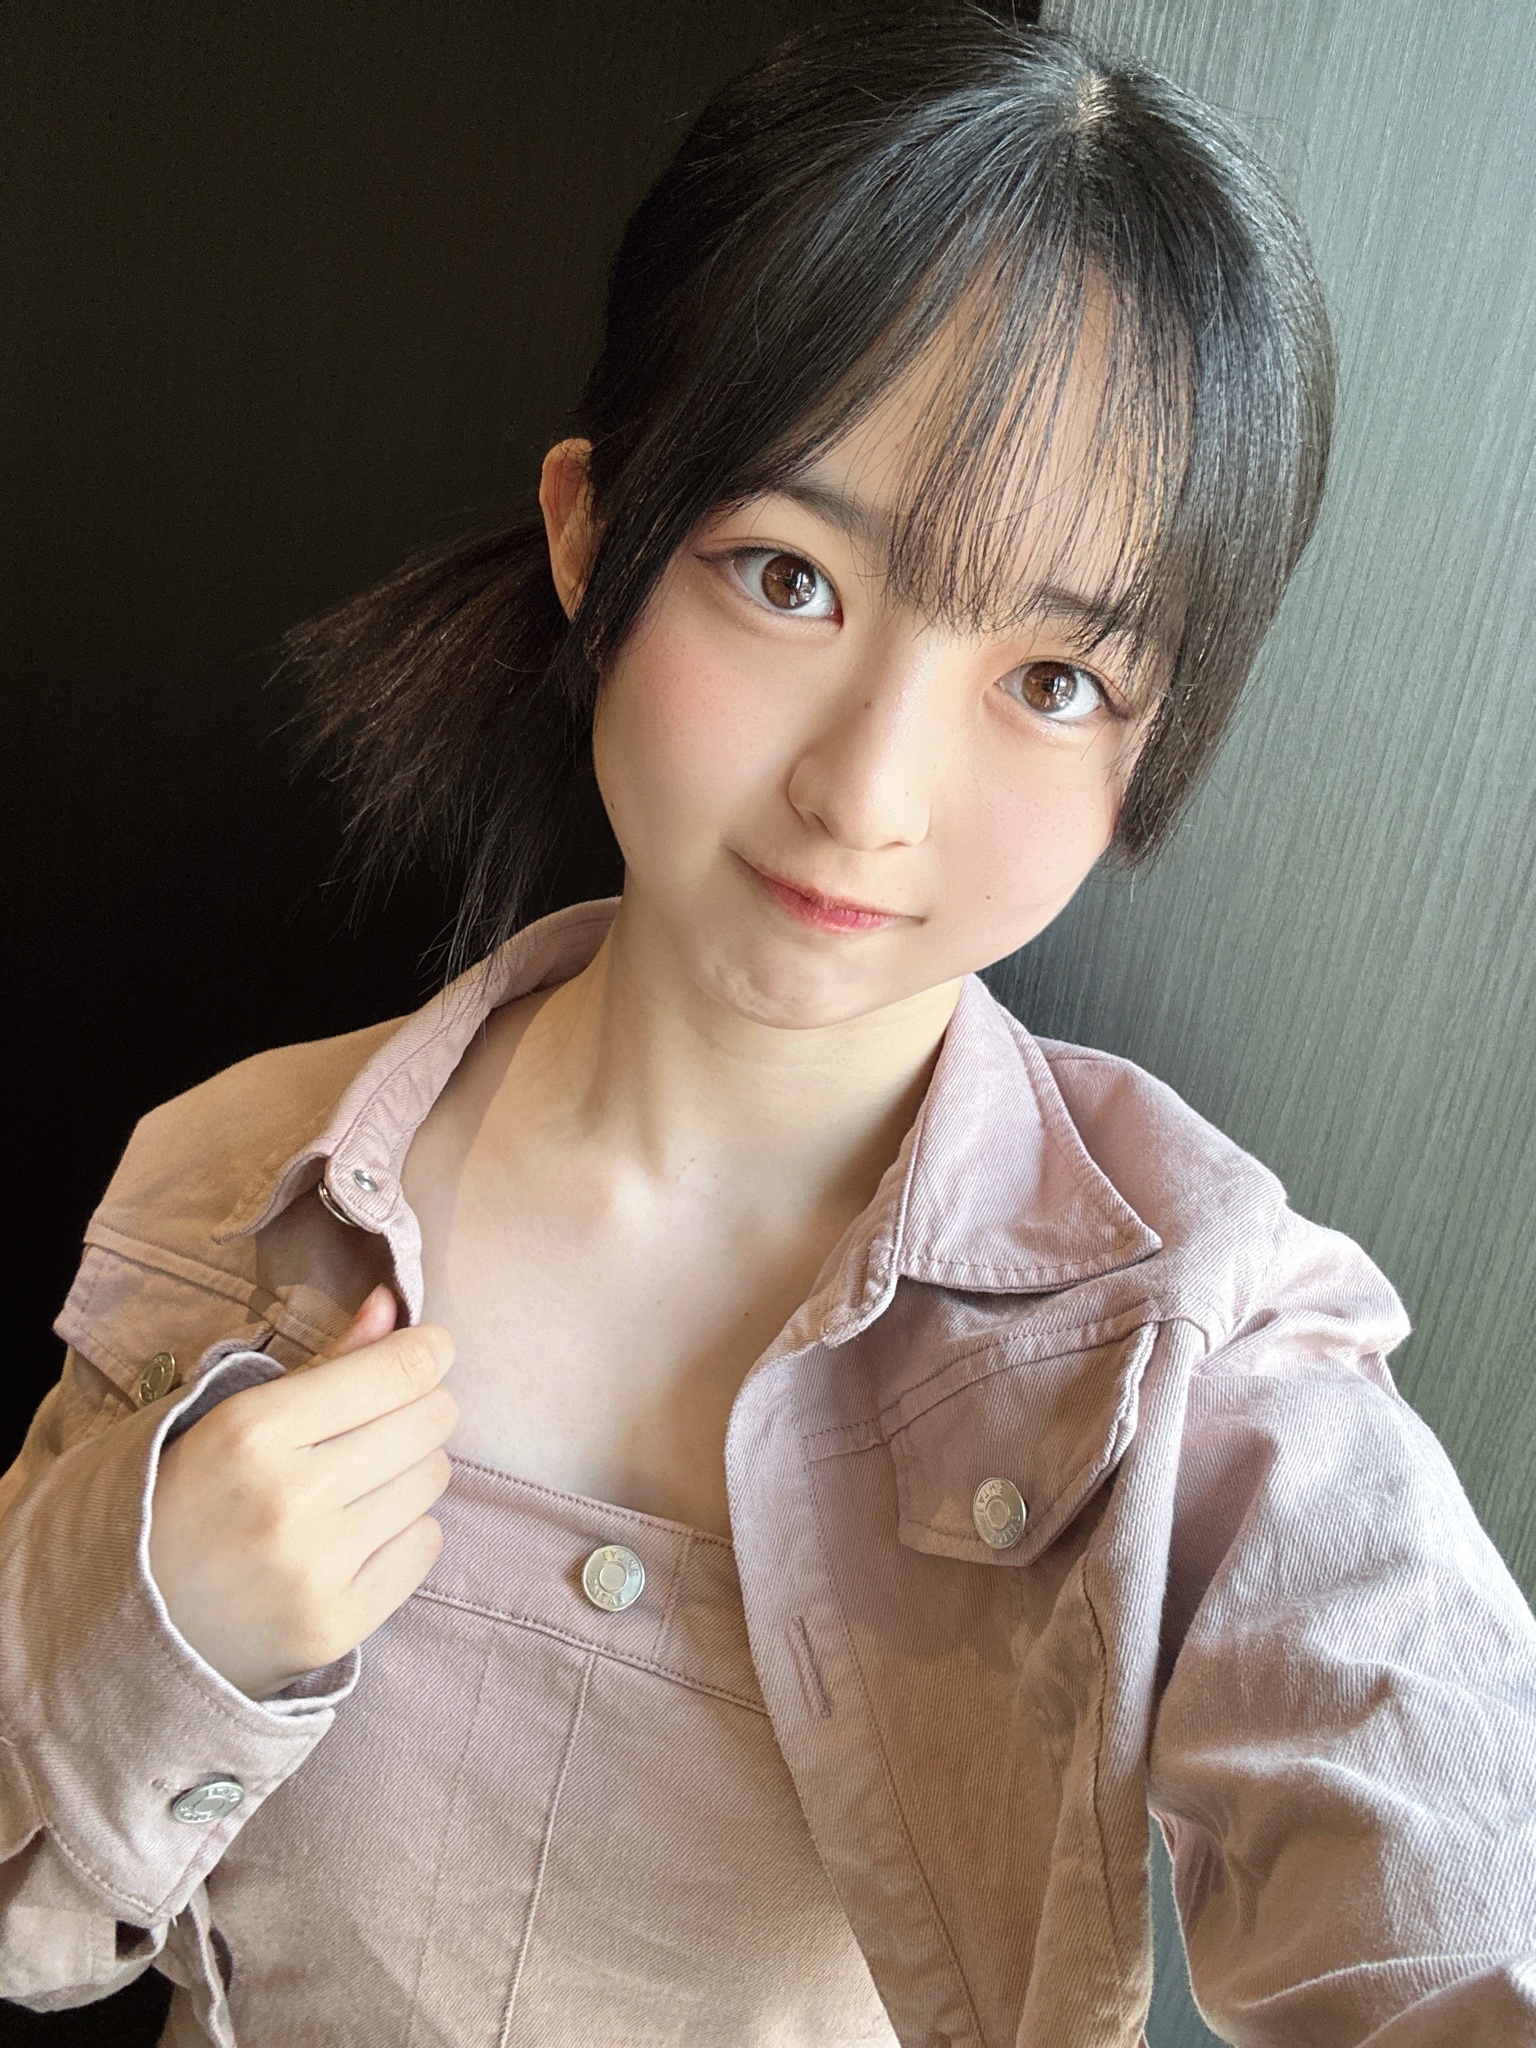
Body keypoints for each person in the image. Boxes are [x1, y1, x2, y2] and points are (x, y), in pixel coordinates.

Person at [3, 9, 1533, 2045]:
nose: (870, 793)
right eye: (790, 577)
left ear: (1158, 732)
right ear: (593, 534)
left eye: (1053, 678)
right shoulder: (227, 1183)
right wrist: (158, 1610)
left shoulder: (1190, 1342)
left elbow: (1436, 1854)